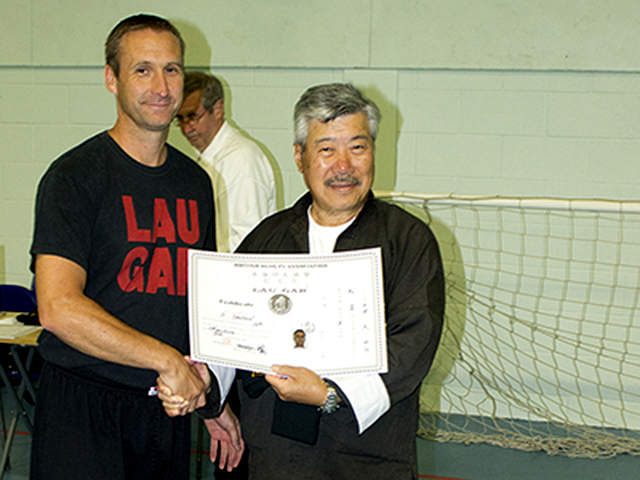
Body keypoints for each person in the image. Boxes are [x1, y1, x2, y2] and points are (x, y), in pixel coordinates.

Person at [162, 83, 445, 478]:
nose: (343, 165)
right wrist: (205, 378)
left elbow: (412, 345)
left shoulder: (408, 241)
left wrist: (329, 395)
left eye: (358, 147)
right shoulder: (266, 239)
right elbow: (232, 334)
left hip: (367, 457)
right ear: (299, 157)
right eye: (326, 149)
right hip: (278, 456)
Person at [29, 14, 240, 480]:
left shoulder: (196, 183)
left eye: (172, 69)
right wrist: (165, 359)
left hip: (163, 409)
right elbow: (58, 307)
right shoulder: (74, 177)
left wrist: (210, 402)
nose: (161, 86)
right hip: (83, 408)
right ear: (112, 79)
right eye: (143, 69)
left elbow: (199, 307)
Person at [176, 72, 277, 253]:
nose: (186, 128)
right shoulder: (207, 159)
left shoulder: (242, 158)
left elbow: (249, 238)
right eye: (180, 119)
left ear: (218, 109)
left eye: (193, 117)